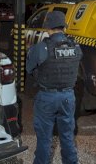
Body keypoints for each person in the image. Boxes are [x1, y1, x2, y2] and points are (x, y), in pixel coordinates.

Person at [26, 10, 82, 164]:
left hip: (47, 97)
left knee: (44, 139)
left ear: (48, 28)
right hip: (68, 97)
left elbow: (29, 69)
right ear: (63, 26)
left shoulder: (41, 47)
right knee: (67, 137)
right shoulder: (76, 46)